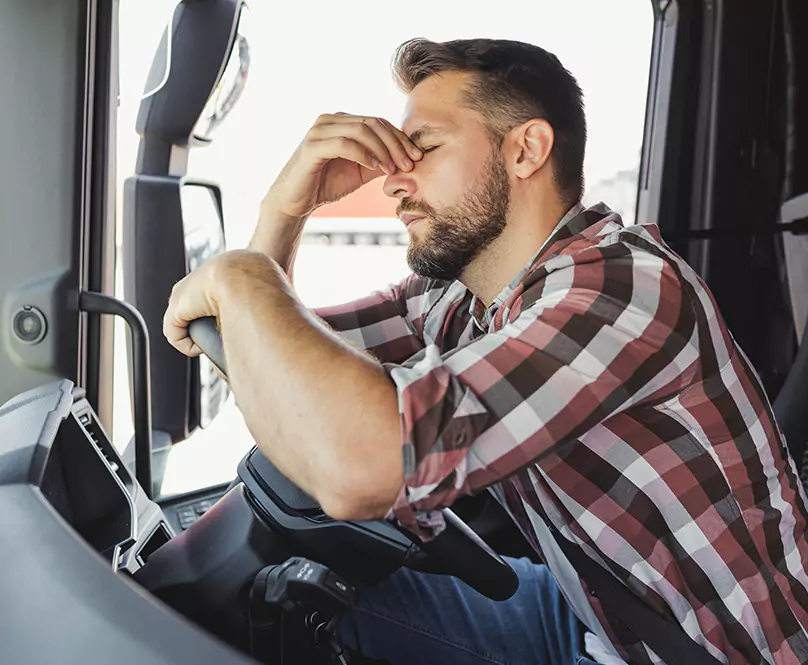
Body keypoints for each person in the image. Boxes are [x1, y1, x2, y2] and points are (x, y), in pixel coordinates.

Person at [163, 38, 808, 664]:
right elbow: (276, 363)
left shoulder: (623, 290)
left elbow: (360, 465)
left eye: (424, 148)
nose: (392, 181)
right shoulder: (460, 299)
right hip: (588, 612)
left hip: (695, 651)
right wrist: (287, 208)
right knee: (281, 599)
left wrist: (244, 276)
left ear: (526, 149)